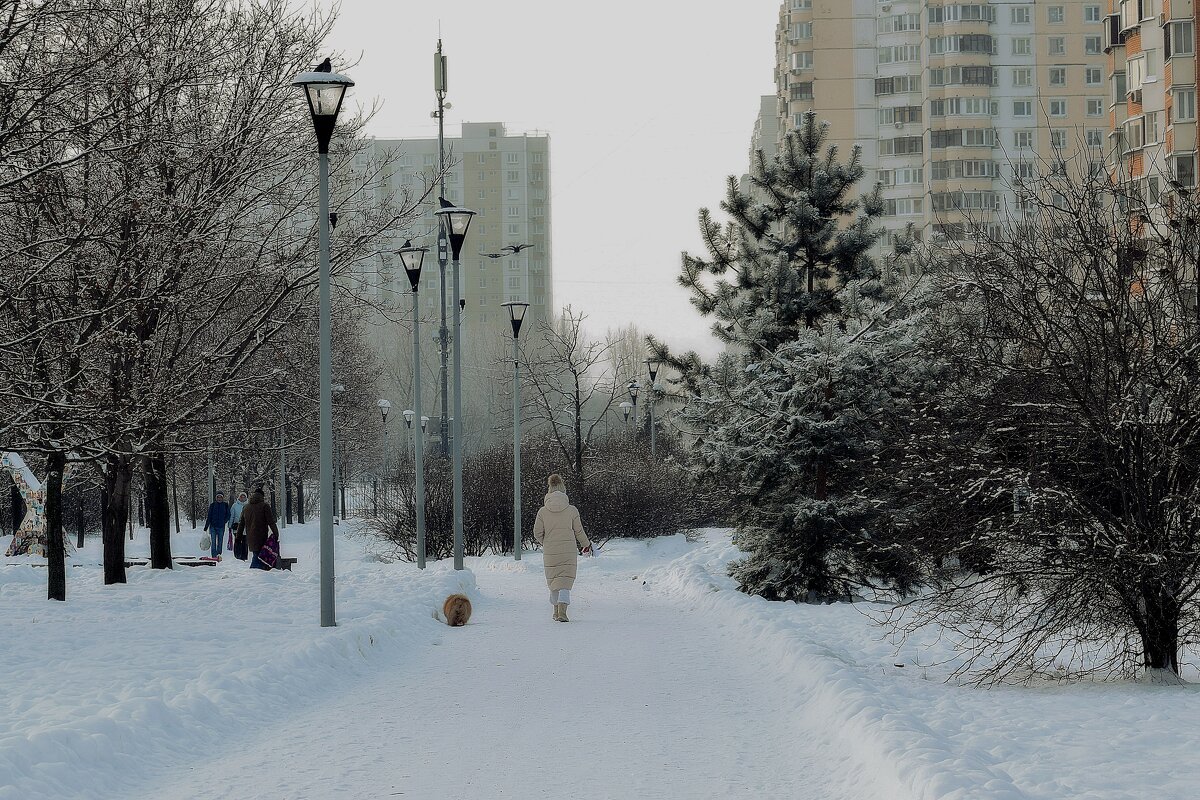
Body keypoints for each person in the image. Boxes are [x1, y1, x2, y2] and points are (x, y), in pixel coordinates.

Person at [532, 473, 593, 622]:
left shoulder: (542, 511)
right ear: (563, 489)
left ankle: (554, 611)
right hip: (568, 551)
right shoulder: (572, 510)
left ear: (549, 490)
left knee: (553, 581)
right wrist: (586, 544)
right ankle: (562, 612)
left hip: (550, 551)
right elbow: (579, 531)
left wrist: (545, 542)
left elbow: (537, 533)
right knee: (565, 581)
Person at [236, 487, 279, 570]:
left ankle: (258, 574)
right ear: (262, 496)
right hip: (261, 536)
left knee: (257, 554)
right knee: (258, 557)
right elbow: (271, 522)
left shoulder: (246, 507)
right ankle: (254, 574)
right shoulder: (264, 506)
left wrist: (238, 538)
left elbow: (241, 524)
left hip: (250, 537)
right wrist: (276, 534)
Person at [202, 491, 231, 561]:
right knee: (213, 542)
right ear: (216, 498)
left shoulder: (225, 505)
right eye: (218, 497)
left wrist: (224, 521)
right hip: (213, 527)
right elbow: (209, 516)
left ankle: (219, 554)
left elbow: (228, 515)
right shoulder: (212, 505)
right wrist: (206, 526)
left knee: (220, 541)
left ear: (222, 498)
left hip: (221, 527)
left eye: (220, 497)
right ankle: (214, 556)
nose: (219, 498)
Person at [228, 491, 248, 556]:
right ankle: (237, 555)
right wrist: (230, 525)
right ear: (239, 497)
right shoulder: (235, 505)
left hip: (246, 528)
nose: (242, 498)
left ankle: (244, 556)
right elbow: (232, 516)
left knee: (245, 542)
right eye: (241, 497)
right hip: (237, 527)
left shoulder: (248, 505)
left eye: (244, 497)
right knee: (237, 542)